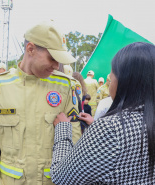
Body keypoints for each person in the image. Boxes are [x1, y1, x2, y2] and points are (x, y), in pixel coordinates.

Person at [0, 21, 82, 185]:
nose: (57, 65)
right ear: (30, 49)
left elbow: (75, 142)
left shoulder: (67, 87)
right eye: (52, 58)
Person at [50, 42, 155, 184]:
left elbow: (62, 178)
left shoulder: (111, 129)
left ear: (125, 82)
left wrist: (63, 130)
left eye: (111, 79)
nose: (109, 83)